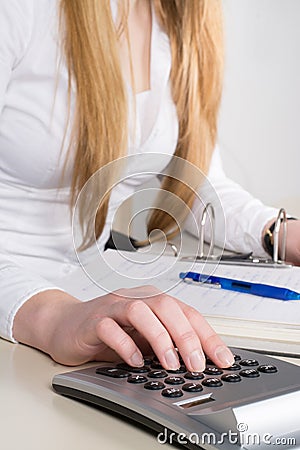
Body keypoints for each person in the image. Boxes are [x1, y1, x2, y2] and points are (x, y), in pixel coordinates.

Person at [0, 0, 299, 371]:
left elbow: (190, 181)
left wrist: (278, 233)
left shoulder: (177, 17)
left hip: (92, 300)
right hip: (20, 316)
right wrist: (52, 317)